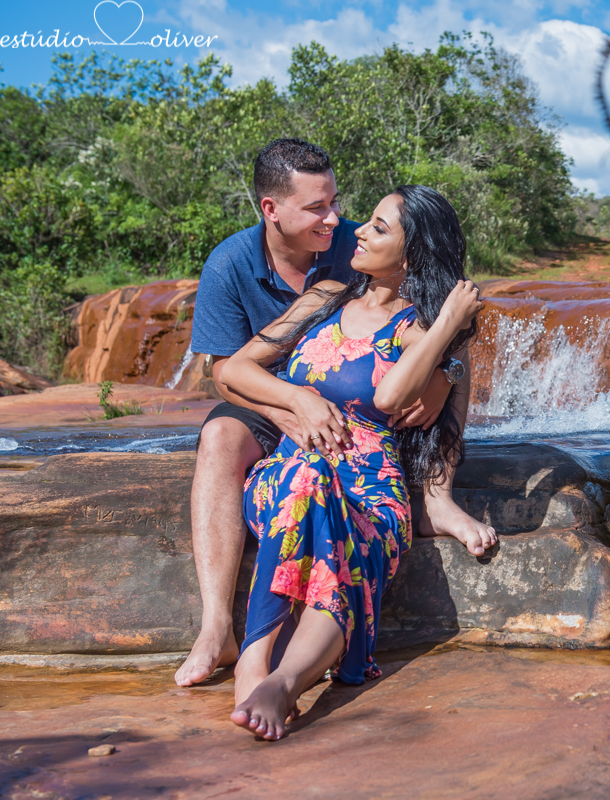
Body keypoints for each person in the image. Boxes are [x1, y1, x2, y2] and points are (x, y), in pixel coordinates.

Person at [177, 139, 492, 689]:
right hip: (283, 421)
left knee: (320, 502)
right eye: (318, 209)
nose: (342, 223)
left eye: (344, 208)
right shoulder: (285, 279)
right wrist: (296, 401)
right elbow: (227, 370)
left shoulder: (365, 267)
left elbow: (433, 357)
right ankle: (224, 638)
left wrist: (445, 370)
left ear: (408, 251)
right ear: (272, 210)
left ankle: (276, 680)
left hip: (363, 469)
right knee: (244, 447)